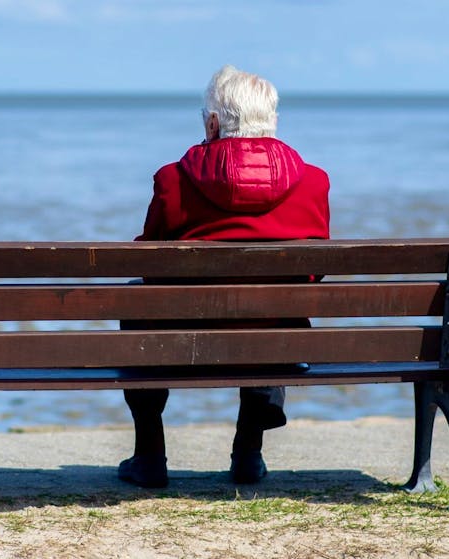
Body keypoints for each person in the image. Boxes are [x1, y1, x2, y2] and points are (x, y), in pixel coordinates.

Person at [118, 65, 331, 488]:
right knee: (278, 308)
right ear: (271, 122)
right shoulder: (313, 181)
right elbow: (315, 270)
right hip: (272, 344)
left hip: (181, 339)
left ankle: (150, 457)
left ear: (214, 123)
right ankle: (248, 454)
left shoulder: (173, 179)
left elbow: (148, 262)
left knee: (135, 300)